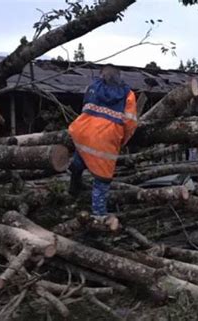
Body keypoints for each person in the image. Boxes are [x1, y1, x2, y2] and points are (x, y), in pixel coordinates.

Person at [68, 64, 138, 227]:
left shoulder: (93, 86)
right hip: (106, 136)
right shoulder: (128, 94)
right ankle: (98, 215)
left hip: (83, 129)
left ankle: (75, 178)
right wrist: (122, 139)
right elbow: (130, 122)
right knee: (102, 179)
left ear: (102, 74)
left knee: (82, 154)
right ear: (119, 76)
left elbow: (85, 107)